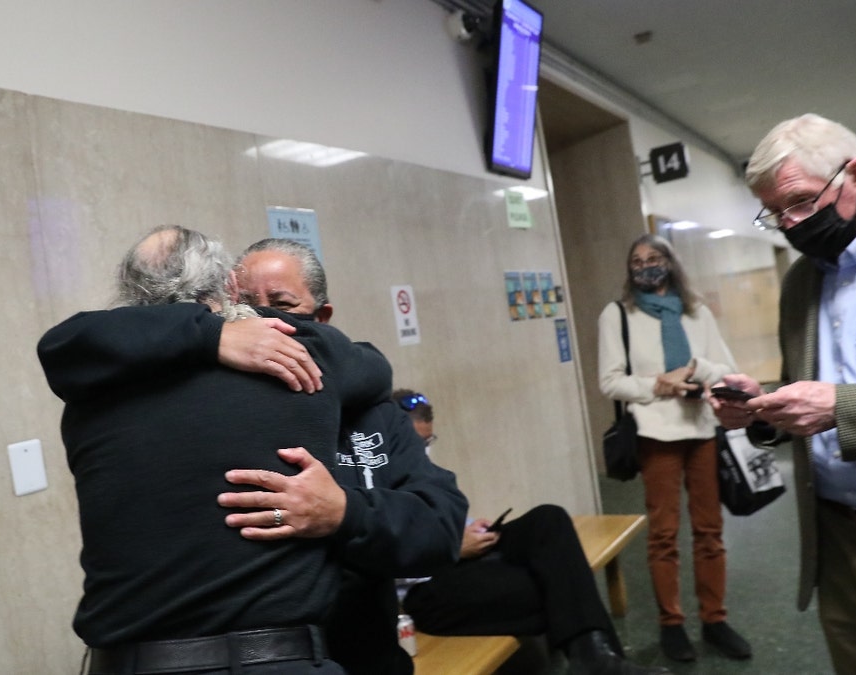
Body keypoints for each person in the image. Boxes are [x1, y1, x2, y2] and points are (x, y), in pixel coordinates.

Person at [227, 239, 664, 675]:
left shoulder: (371, 412)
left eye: (281, 304)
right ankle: (592, 651)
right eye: (247, 305)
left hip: (405, 590)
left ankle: (593, 656)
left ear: (322, 317)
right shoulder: (222, 413)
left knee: (548, 522)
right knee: (553, 587)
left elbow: (435, 515)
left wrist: (352, 513)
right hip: (363, 615)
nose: (263, 320)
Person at [36, 225, 394, 674]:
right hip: (275, 663)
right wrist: (217, 333)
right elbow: (377, 370)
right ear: (229, 287)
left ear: (127, 294)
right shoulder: (295, 348)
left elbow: (64, 342)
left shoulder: (92, 381)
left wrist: (206, 336)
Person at [711, 113, 856, 674]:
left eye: (800, 202)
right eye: (774, 214)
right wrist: (764, 406)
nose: (789, 224)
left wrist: (839, 407)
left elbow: (837, 401)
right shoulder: (802, 280)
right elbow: (817, 390)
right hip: (837, 541)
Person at [393, 390, 671, 675]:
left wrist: (469, 528)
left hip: (458, 555)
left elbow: (444, 515)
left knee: (548, 519)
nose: (424, 450)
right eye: (418, 443)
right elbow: (381, 560)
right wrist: (452, 547)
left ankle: (596, 660)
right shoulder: (372, 484)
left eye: (429, 441)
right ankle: (599, 660)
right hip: (423, 589)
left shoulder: (423, 471)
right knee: (560, 582)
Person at [597, 234, 749, 663]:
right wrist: (659, 385)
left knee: (710, 531)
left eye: (655, 258)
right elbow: (609, 381)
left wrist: (696, 369)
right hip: (654, 434)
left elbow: (728, 370)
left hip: (701, 428)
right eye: (637, 260)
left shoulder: (696, 311)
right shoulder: (617, 315)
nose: (646, 265)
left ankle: (715, 620)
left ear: (671, 262)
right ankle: (672, 626)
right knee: (663, 536)